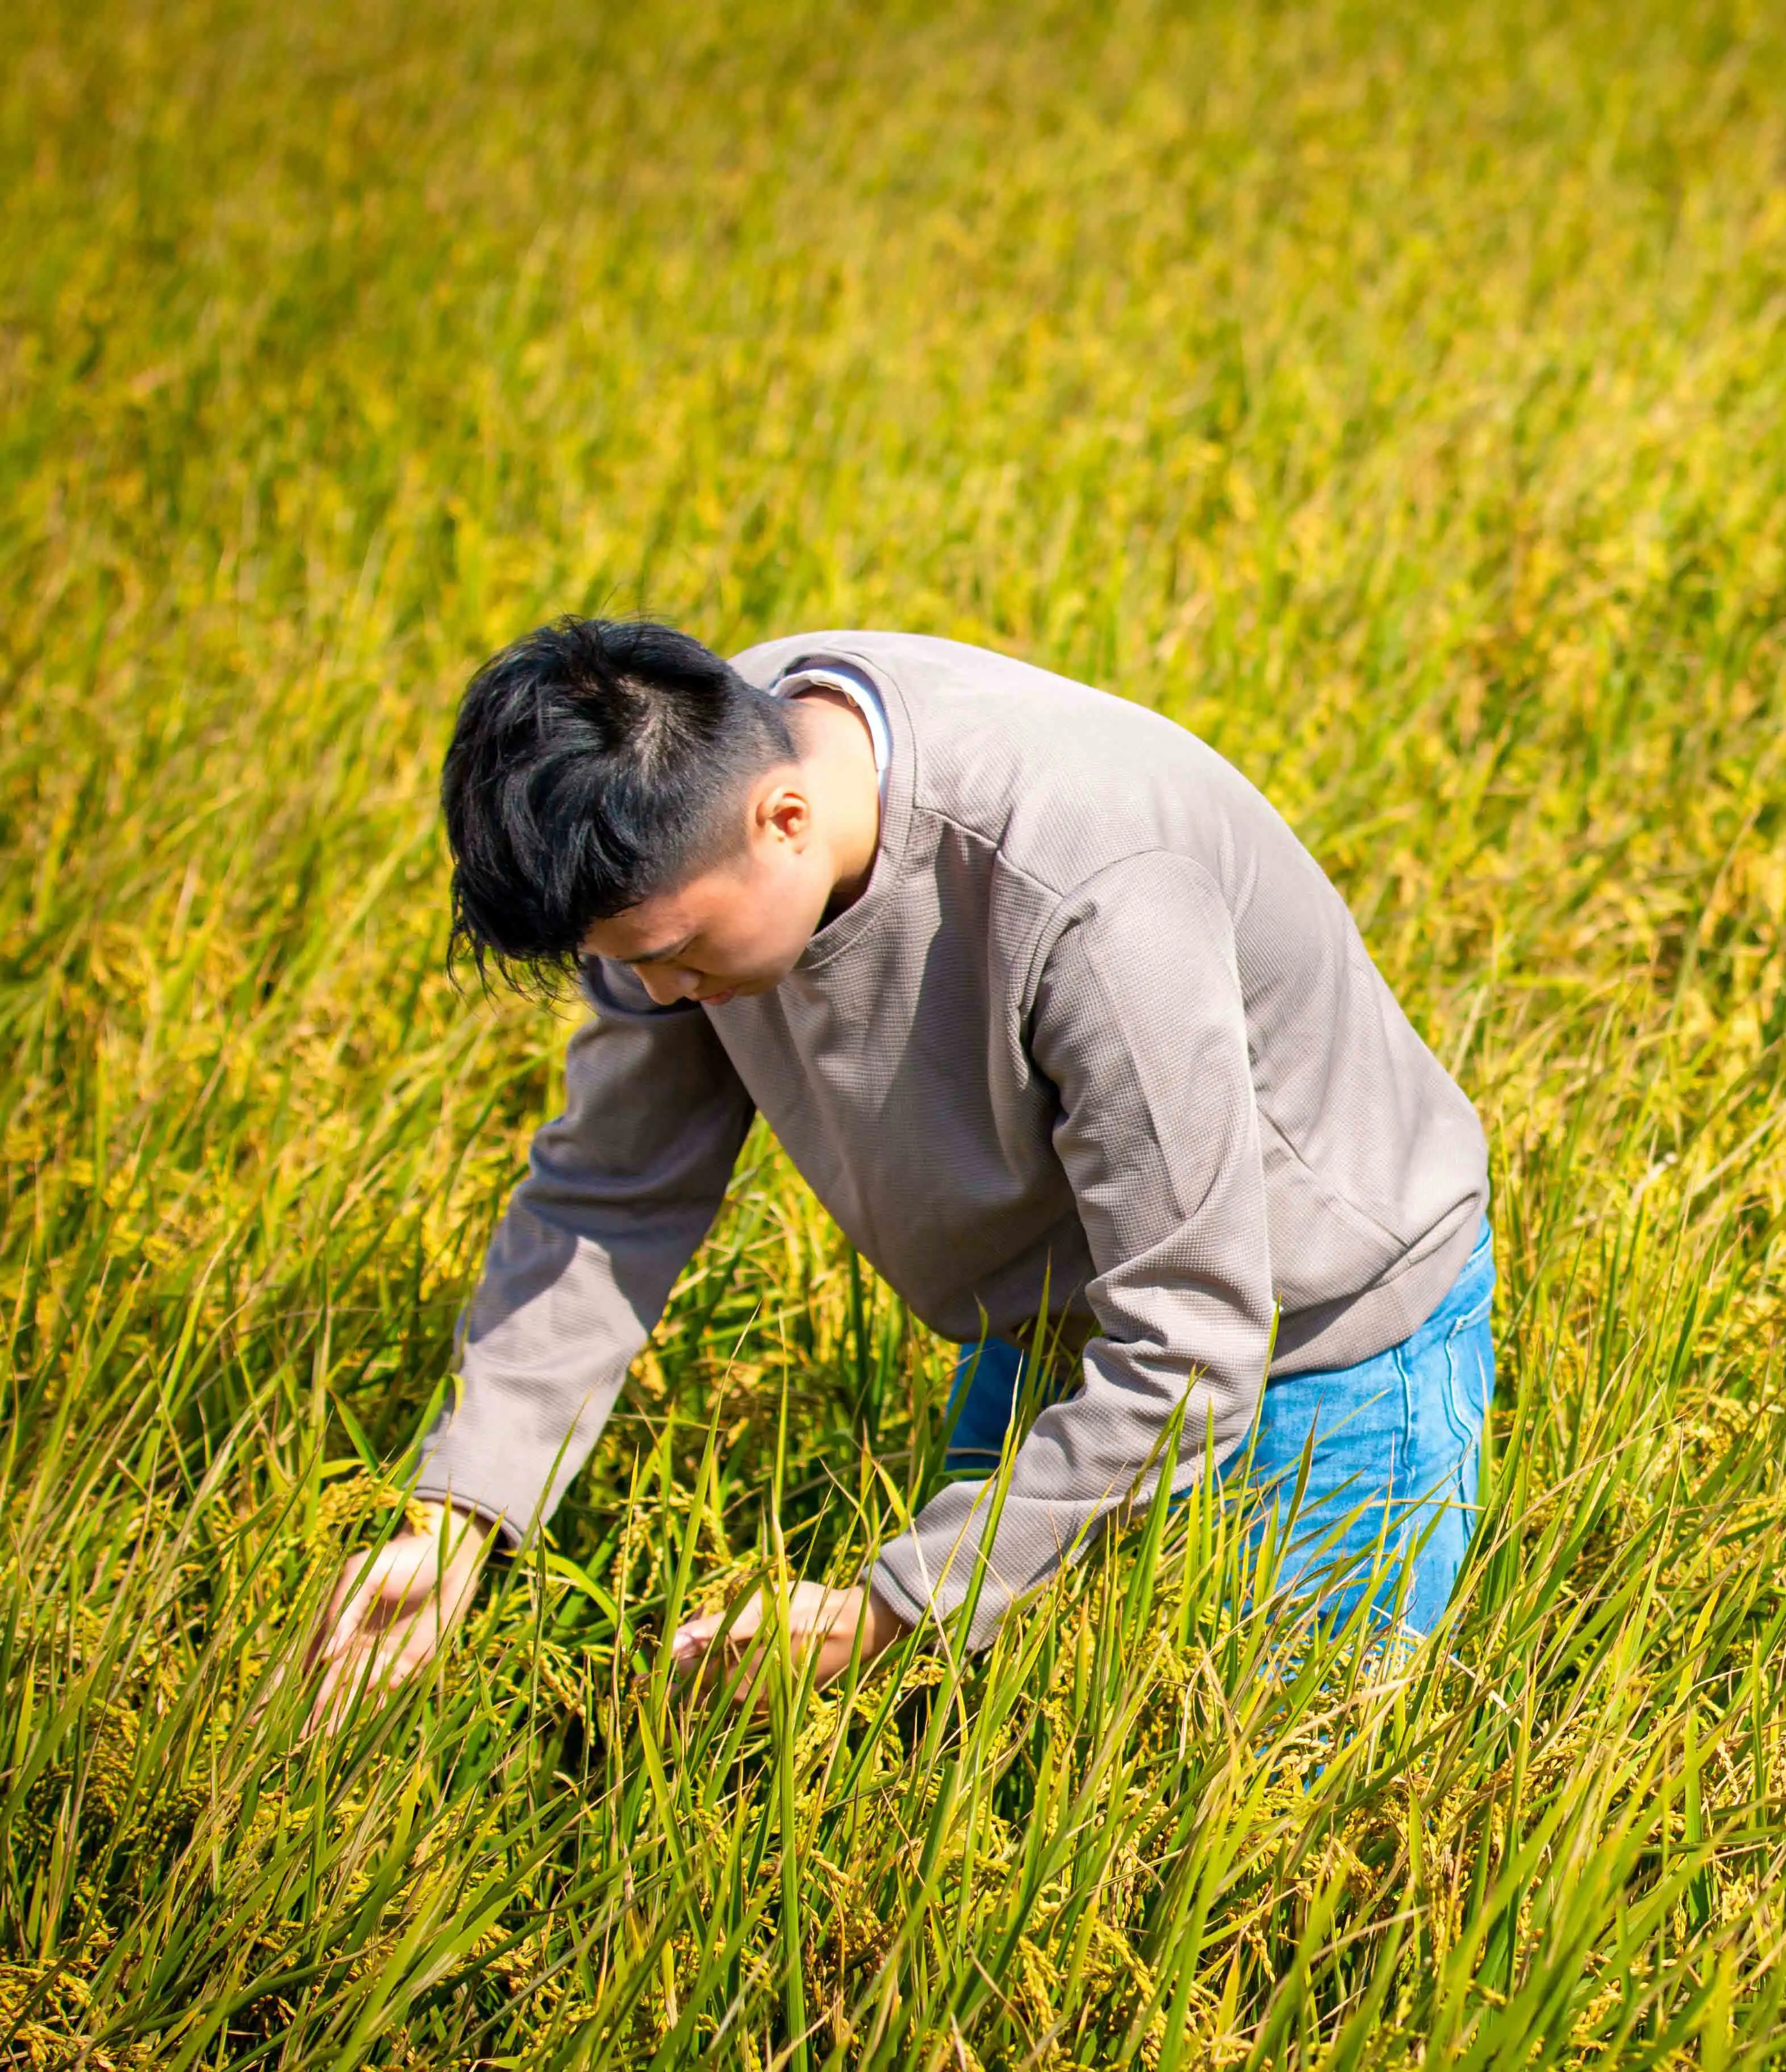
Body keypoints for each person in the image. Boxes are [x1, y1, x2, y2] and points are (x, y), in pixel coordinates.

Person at [302, 620, 1493, 1727]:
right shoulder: (678, 796)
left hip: (1316, 1333)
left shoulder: (1089, 885)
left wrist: (884, 1611)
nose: (657, 998)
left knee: (1249, 1771)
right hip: (1051, 1318)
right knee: (979, 1727)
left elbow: (1192, 1345)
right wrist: (461, 1519)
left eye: (671, 957)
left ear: (782, 820)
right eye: (620, 965)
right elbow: (609, 1194)